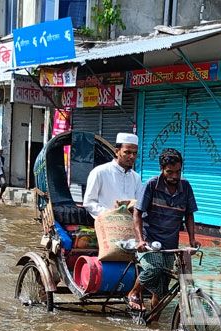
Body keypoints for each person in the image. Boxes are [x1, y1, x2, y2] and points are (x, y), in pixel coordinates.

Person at [126, 148, 200, 313]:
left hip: (170, 243)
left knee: (162, 288)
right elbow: (137, 213)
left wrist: (192, 240)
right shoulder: (151, 185)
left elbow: (189, 215)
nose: (174, 176)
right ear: (162, 169)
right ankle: (135, 292)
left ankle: (153, 321)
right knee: (155, 268)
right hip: (150, 241)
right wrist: (140, 240)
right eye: (170, 172)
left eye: (178, 171)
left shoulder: (186, 187)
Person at [83, 132, 143, 219]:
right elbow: (89, 202)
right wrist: (110, 214)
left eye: (134, 153)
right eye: (127, 152)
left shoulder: (136, 178)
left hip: (129, 226)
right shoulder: (99, 172)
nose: (132, 156)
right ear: (117, 151)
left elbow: (139, 204)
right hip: (106, 225)